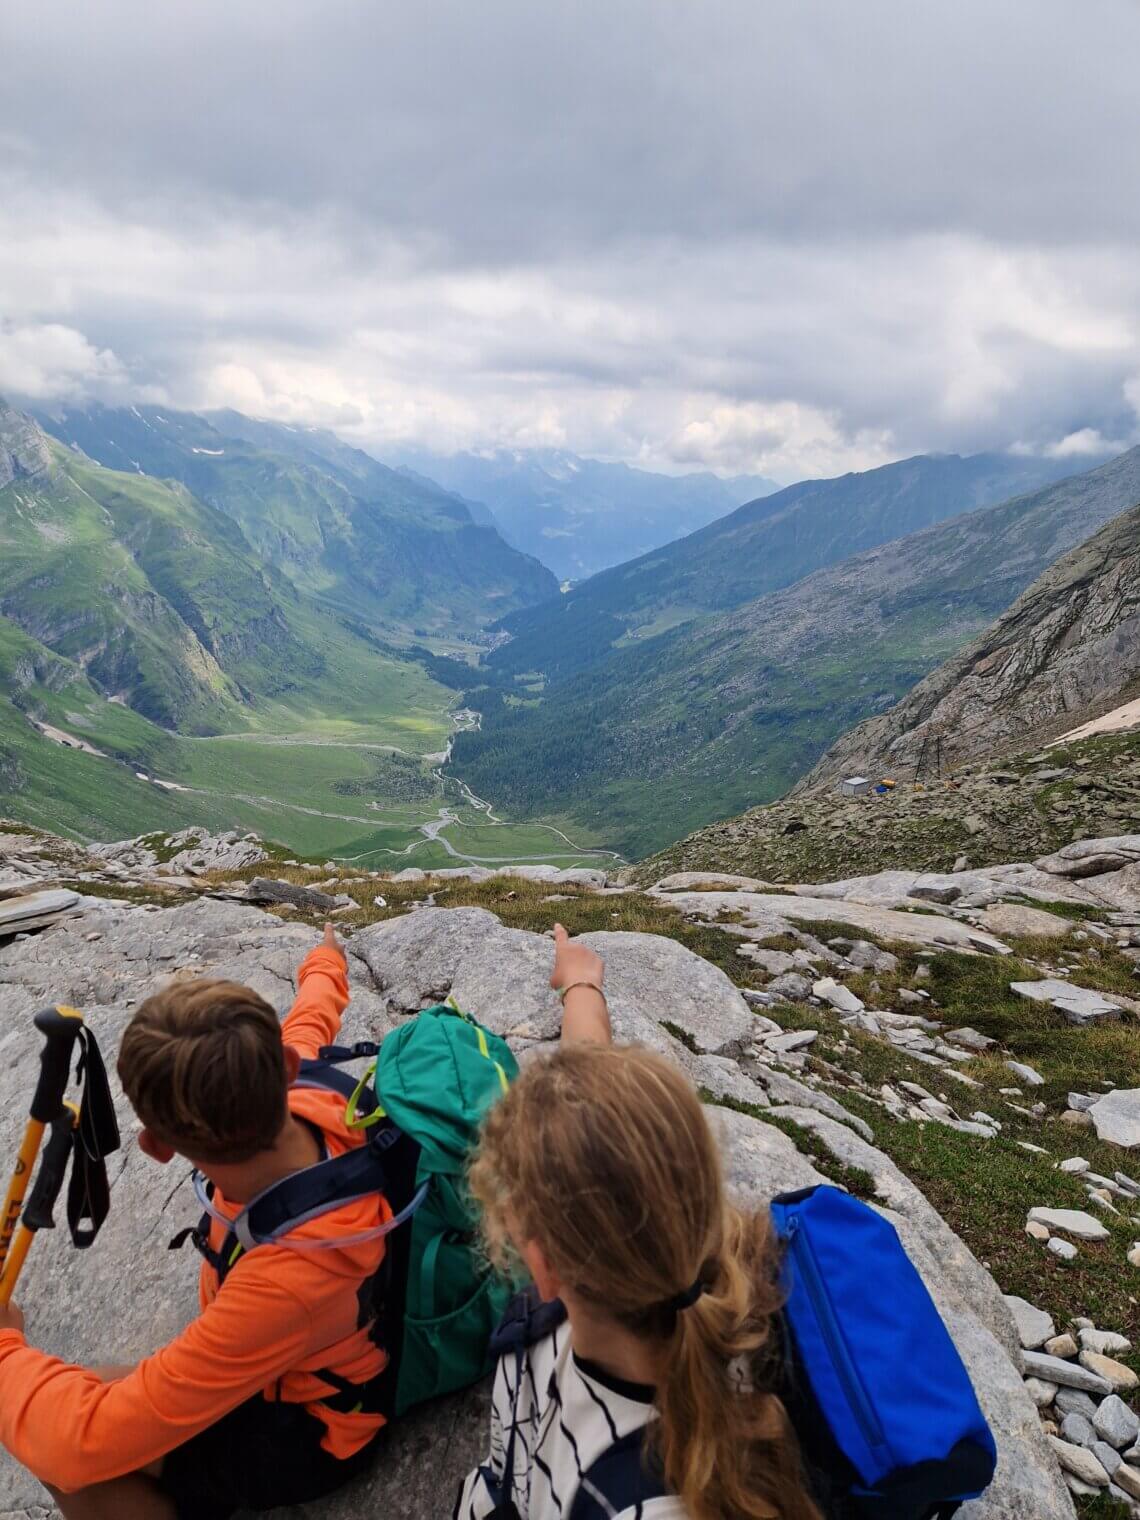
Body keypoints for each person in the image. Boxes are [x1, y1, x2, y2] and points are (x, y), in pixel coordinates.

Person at [0, 924, 390, 1520]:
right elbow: (310, 1022)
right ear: (284, 1068)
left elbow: (77, 1448)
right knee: (78, 1389)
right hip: (285, 1361)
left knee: (70, 1465)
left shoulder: (289, 1279)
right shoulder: (311, 1088)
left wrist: (3, 1347)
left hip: (312, 1430)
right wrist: (325, 961)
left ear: (157, 1146)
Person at [454, 924, 824, 1520]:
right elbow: (607, 1142)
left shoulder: (640, 1503)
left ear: (542, 1266)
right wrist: (580, 982)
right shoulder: (714, 1280)